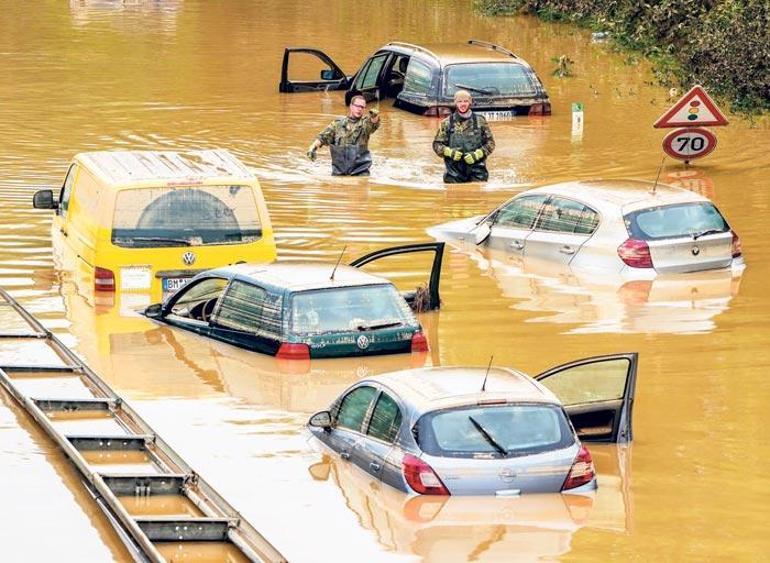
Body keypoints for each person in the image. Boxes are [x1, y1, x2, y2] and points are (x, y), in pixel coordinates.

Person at [307, 95, 380, 176]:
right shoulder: (337, 125)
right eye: (357, 106)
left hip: (360, 173)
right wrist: (312, 148)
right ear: (351, 106)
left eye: (362, 107)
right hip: (339, 173)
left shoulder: (365, 125)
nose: (359, 109)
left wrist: (374, 116)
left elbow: (373, 124)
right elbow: (323, 137)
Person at [432, 90, 495, 183]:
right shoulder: (447, 122)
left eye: (465, 101)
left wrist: (478, 154)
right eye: (459, 101)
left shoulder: (480, 121)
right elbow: (437, 145)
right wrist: (449, 152)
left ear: (470, 102)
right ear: (455, 103)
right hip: (453, 173)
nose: (463, 104)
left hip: (477, 172)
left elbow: (491, 143)